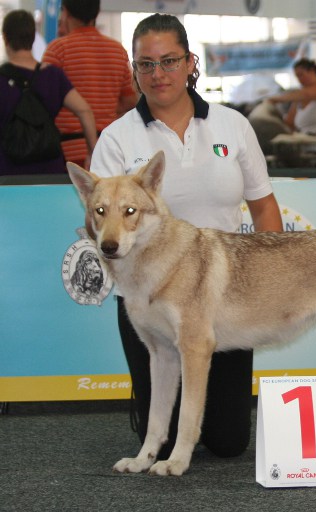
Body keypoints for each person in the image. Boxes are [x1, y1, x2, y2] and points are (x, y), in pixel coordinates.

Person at [90, 13, 283, 458]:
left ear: (190, 61)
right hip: (149, 297)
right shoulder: (116, 137)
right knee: (160, 437)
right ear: (134, 70)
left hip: (228, 292)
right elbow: (106, 224)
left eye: (169, 61)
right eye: (146, 64)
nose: (158, 75)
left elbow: (264, 206)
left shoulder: (232, 124)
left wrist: (270, 271)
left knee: (229, 442)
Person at [42, 0, 137, 168]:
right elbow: (130, 101)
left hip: (66, 150)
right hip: (109, 148)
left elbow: (43, 103)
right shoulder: (117, 50)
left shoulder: (57, 50)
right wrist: (104, 110)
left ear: (65, 13)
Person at [0, 9, 97, 175]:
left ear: (5, 37)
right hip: (51, 169)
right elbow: (84, 110)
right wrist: (92, 152)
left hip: (8, 171)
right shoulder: (53, 75)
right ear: (33, 37)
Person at [269, 57, 316, 135]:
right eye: (297, 76)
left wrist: (274, 99)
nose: (299, 79)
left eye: (301, 75)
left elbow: (307, 94)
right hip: (306, 142)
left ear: (312, 71)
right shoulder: (299, 98)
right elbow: (289, 122)